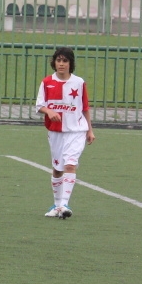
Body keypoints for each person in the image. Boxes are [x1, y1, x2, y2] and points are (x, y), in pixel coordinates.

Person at [35, 47, 95, 219]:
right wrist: (49, 111)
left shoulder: (78, 83)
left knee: (70, 164)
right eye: (59, 60)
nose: (61, 64)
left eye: (65, 61)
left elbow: (84, 108)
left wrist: (90, 130)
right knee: (57, 169)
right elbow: (39, 105)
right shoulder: (47, 82)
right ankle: (57, 204)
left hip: (76, 131)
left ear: (70, 63)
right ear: (54, 62)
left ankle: (64, 204)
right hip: (55, 133)